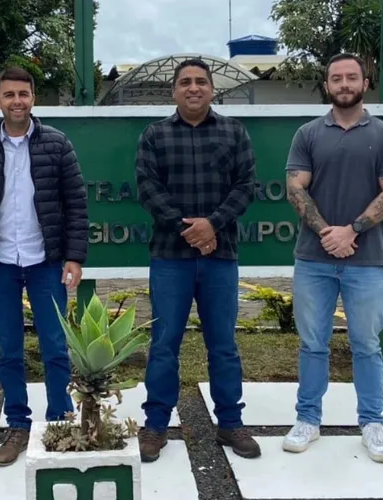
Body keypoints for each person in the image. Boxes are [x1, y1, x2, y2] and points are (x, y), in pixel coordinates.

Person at [0, 66, 89, 467]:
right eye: (9, 94)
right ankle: (17, 425)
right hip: (0, 265)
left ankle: (60, 422)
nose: (17, 101)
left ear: (34, 98)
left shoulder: (58, 145)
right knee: (9, 350)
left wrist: (75, 256)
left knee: (55, 348)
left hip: (45, 262)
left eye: (24, 94)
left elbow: (76, 204)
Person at [281, 53, 383, 464]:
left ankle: (372, 423)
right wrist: (326, 234)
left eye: (351, 77)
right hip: (313, 259)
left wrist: (351, 230)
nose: (344, 83)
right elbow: (296, 188)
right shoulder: (308, 134)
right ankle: (308, 420)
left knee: (367, 344)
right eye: (336, 78)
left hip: (367, 259)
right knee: (312, 343)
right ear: (327, 85)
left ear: (364, 83)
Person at [134, 58, 260, 463]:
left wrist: (213, 225)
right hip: (170, 257)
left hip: (220, 257)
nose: (193, 88)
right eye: (185, 82)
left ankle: (230, 423)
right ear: (174, 91)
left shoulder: (234, 131)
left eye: (201, 82)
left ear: (211, 89)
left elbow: (245, 187)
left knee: (223, 345)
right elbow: (148, 189)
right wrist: (190, 230)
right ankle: (155, 425)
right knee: (164, 344)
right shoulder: (154, 135)